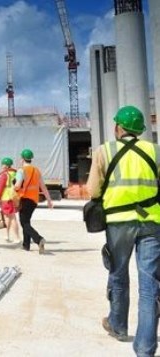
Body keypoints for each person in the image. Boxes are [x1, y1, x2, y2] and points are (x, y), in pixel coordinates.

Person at [87, 105, 160, 356]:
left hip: (118, 223)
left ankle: (118, 325)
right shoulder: (155, 151)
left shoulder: (104, 151)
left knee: (118, 274)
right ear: (139, 129)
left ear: (118, 127)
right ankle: (145, 349)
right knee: (150, 285)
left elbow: (93, 191)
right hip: (151, 222)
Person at [14, 148, 53, 254]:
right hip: (34, 201)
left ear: (22, 159)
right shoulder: (36, 171)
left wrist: (13, 189)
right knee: (27, 221)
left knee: (24, 223)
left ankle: (39, 239)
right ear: (31, 159)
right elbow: (43, 187)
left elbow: (17, 185)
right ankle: (26, 245)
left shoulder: (21, 170)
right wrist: (49, 200)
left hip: (24, 199)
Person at [0, 157, 20, 243]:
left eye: (2, 164)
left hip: (6, 198)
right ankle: (7, 235)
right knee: (8, 217)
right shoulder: (15, 174)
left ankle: (17, 237)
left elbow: (0, 188)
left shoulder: (4, 175)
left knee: (12, 218)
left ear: (5, 165)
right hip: (14, 197)